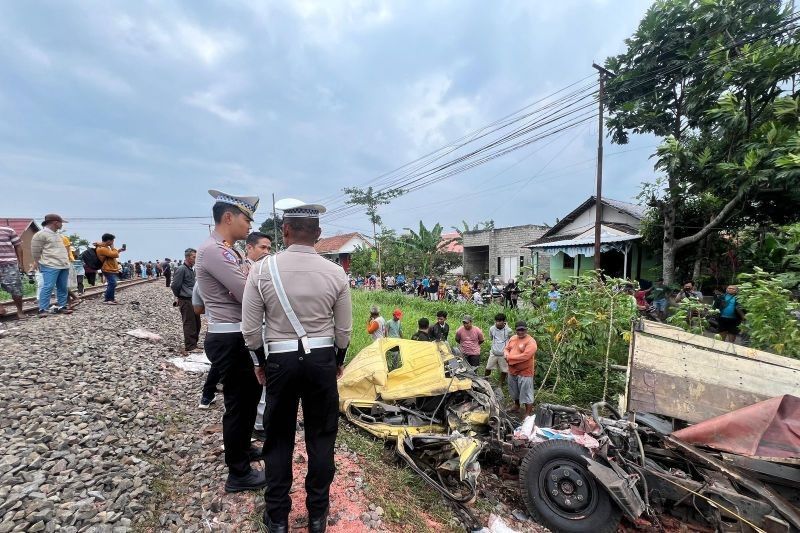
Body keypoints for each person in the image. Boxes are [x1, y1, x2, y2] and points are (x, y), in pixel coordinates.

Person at [240, 197, 352, 533]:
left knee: (278, 439)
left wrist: (260, 363)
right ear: (318, 233)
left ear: (285, 230)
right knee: (321, 438)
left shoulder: (262, 269)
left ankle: (277, 519)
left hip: (280, 361)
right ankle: (317, 516)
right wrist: (336, 362)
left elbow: (250, 328)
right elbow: (343, 330)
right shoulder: (336, 273)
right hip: (320, 361)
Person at [195, 189, 266, 493]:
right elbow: (248, 290)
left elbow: (248, 278)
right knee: (239, 403)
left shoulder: (229, 249)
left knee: (248, 398)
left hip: (235, 333)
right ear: (228, 217)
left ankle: (242, 449)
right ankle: (238, 473)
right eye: (246, 218)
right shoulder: (215, 251)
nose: (250, 225)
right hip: (230, 336)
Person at [31, 214, 72, 317]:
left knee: (62, 287)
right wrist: (38, 263)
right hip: (49, 265)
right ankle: (42, 309)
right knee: (48, 286)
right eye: (61, 222)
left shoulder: (57, 235)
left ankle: (62, 306)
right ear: (55, 222)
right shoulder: (40, 235)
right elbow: (35, 251)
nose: (62, 224)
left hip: (63, 265)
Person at [505, 320, 537, 416]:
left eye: (523, 330)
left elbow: (526, 356)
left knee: (527, 393)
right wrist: (506, 355)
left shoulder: (531, 342)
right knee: (514, 391)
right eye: (519, 330)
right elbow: (506, 349)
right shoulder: (513, 338)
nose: (521, 332)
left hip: (525, 372)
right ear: (516, 330)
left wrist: (509, 358)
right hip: (512, 371)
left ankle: (527, 414)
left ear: (526, 330)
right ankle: (516, 406)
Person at [171, 248, 201, 353]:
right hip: (186, 300)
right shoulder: (181, 269)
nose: (195, 259)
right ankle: (190, 346)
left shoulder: (191, 269)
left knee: (197, 323)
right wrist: (178, 296)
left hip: (192, 300)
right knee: (189, 323)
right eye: (194, 257)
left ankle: (194, 344)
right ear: (187, 257)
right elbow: (175, 285)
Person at [0, 224, 26, 319]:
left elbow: (18, 246)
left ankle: (20, 311)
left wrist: (21, 264)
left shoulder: (8, 230)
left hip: (9, 264)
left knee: (16, 289)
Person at [95, 234, 125, 304]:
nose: (113, 242)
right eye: (112, 241)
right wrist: (113, 247)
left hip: (109, 268)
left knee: (112, 283)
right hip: (106, 268)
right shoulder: (102, 249)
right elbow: (115, 255)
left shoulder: (104, 247)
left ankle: (111, 299)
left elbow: (112, 254)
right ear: (108, 241)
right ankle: (108, 299)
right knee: (112, 283)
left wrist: (119, 250)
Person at [486, 313, 512, 385]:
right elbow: (491, 338)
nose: (498, 323)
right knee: (488, 368)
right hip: (494, 352)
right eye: (497, 321)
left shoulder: (509, 330)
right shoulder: (492, 329)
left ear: (504, 321)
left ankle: (500, 384)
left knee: (504, 370)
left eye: (500, 321)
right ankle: (485, 381)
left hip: (504, 353)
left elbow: (511, 341)